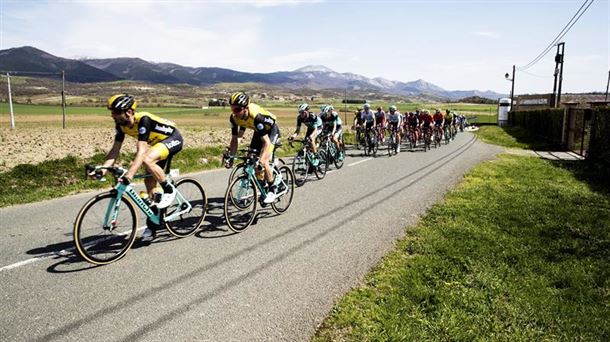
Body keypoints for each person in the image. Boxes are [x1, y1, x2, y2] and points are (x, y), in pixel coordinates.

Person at [96, 94, 183, 241]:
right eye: (111, 112)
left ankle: (169, 189)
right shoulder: (121, 125)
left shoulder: (144, 120)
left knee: (147, 160)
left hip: (172, 138)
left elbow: (141, 151)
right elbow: (115, 150)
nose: (112, 115)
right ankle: (153, 224)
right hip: (157, 145)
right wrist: (102, 169)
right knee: (149, 185)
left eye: (116, 112)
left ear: (129, 112)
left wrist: (129, 175)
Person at [225, 91, 283, 204]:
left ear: (245, 108)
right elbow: (235, 139)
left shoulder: (257, 117)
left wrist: (261, 160)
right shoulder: (234, 118)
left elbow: (266, 142)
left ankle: (274, 188)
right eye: (232, 109)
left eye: (237, 110)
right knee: (251, 157)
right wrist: (231, 156)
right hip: (259, 131)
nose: (234, 113)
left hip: (271, 131)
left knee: (263, 161)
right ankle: (262, 187)